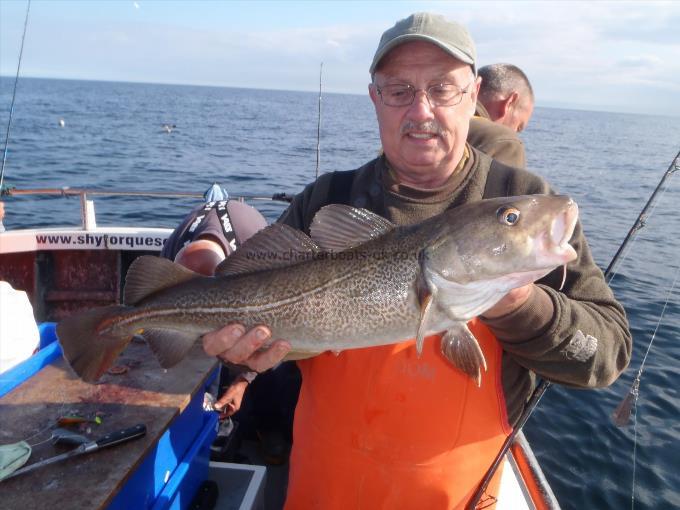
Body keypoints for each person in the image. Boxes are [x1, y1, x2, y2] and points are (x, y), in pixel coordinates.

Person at [201, 13, 631, 509]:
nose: (421, 111)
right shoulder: (326, 197)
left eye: (443, 88)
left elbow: (606, 355)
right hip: (326, 479)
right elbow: (280, 318)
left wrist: (516, 301)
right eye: (399, 90)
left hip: (459, 492)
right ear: (375, 100)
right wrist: (247, 357)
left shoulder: (524, 199)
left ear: (473, 96)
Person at [161, 197, 299, 464]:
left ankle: (268, 426)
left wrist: (242, 381)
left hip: (261, 301)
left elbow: (270, 323)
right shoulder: (171, 251)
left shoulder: (258, 250)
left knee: (280, 355)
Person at [468, 63, 535, 167]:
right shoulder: (505, 144)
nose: (515, 133)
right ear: (510, 103)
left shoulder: (442, 119)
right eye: (519, 127)